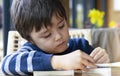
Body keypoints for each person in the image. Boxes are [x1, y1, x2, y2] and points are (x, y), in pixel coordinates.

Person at [1, 0, 110, 75]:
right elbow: (6, 64)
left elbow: (96, 68)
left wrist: (101, 61)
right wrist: (57, 61)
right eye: (47, 35)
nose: (58, 36)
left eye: (61, 26)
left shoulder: (81, 47)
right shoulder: (30, 51)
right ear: (30, 39)